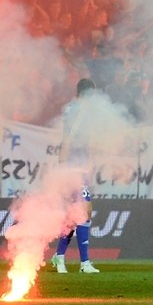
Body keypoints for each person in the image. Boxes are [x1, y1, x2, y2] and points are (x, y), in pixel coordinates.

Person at [51, 78, 100, 274]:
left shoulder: (74, 109)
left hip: (78, 165)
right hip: (74, 167)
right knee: (83, 210)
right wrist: (65, 160)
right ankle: (84, 263)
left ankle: (60, 256)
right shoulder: (78, 111)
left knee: (76, 212)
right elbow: (69, 137)